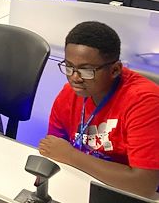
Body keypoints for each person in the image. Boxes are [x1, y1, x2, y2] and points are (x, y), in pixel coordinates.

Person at [39, 21, 159, 198]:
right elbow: (52, 150)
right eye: (69, 66)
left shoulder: (145, 102)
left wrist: (72, 156)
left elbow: (143, 185)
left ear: (115, 69)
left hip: (126, 196)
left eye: (87, 70)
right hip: (81, 183)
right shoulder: (68, 94)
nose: (75, 78)